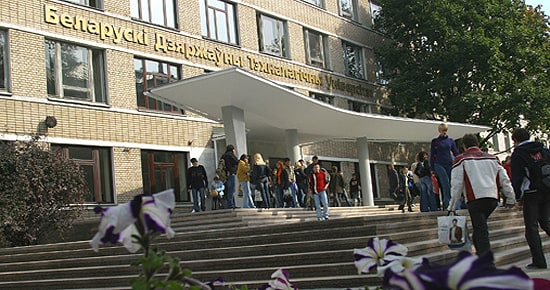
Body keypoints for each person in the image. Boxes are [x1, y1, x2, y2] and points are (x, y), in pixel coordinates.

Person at [448, 133, 515, 257]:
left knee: (481, 230)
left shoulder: (461, 159)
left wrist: (451, 206)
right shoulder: (493, 158)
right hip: (492, 198)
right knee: (479, 228)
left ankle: (486, 261)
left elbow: (456, 185)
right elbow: (504, 180)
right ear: (478, 144)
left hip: (475, 199)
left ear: (463, 146)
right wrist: (511, 198)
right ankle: (481, 255)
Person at [510, 128, 550, 269]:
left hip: (531, 192)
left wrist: (518, 197)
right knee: (546, 221)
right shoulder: (543, 150)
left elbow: (518, 178)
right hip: (547, 188)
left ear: (515, 140)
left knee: (531, 227)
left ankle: (539, 260)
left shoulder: (518, 154)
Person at [431, 123, 460, 210]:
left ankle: (454, 204)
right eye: (443, 130)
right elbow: (432, 155)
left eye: (446, 130)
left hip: (449, 163)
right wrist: (432, 168)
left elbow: (456, 153)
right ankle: (447, 204)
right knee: (445, 183)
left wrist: (460, 161)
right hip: (439, 164)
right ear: (439, 131)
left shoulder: (451, 141)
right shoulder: (435, 141)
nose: (444, 132)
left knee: (452, 183)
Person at [222, 144, 239, 209]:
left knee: (229, 189)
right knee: (232, 189)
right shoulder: (230, 155)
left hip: (226, 175)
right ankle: (231, 204)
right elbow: (236, 161)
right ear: (232, 149)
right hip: (231, 173)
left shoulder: (223, 156)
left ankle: (232, 204)